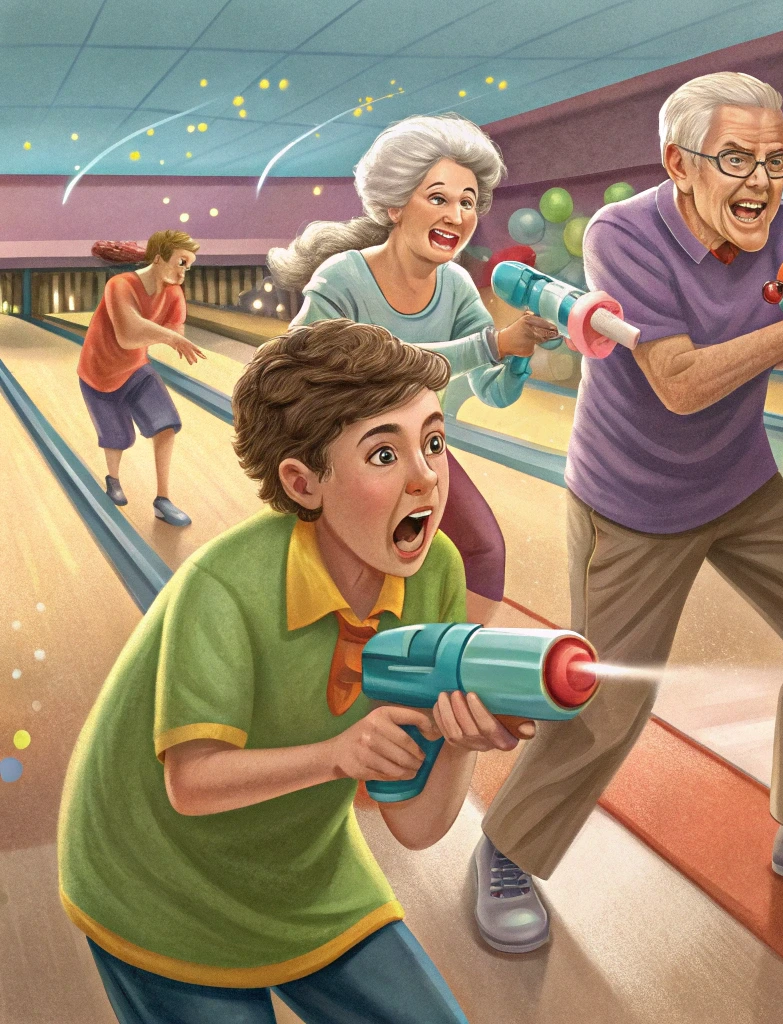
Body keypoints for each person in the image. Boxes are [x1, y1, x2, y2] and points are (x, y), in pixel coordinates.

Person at [470, 71, 783, 953]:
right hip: (634, 498)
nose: (762, 182)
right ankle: (507, 847)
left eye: (776, 160)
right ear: (679, 165)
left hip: (738, 482)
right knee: (608, 704)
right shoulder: (623, 235)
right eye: (736, 159)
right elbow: (679, 382)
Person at [57, 319, 531, 1024]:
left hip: (304, 876)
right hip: (153, 881)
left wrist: (458, 742)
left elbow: (413, 823)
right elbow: (190, 782)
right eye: (383, 454)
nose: (428, 476)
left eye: (433, 441)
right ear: (303, 482)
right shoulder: (224, 588)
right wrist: (339, 754)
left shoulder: (435, 577)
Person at [269, 113, 559, 624]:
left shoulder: (456, 287)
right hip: (342, 459)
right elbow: (323, 368)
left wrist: (517, 355)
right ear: (395, 204)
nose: (457, 215)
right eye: (439, 198)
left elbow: (491, 391)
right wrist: (492, 343)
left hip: (420, 455)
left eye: (468, 202)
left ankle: (437, 663)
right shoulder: (343, 278)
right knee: (356, 566)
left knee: (484, 553)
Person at [77, 229, 205, 527]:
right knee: (118, 438)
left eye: (190, 265)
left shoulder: (174, 294)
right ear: (159, 259)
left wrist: (172, 337)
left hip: (135, 370)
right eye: (182, 262)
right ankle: (113, 479)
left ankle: (163, 500)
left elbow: (175, 334)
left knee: (166, 425)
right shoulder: (119, 285)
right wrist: (169, 336)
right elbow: (128, 335)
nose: (185, 270)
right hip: (99, 372)